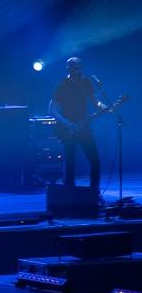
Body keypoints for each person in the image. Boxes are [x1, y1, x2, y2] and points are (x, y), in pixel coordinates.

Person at [49, 57, 108, 192]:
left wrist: (105, 107)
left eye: (80, 67)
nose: (78, 69)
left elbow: (95, 101)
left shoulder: (86, 82)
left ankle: (94, 192)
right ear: (68, 68)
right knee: (70, 162)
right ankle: (70, 193)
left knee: (95, 161)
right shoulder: (62, 85)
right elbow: (52, 109)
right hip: (68, 129)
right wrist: (68, 124)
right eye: (75, 67)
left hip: (84, 127)